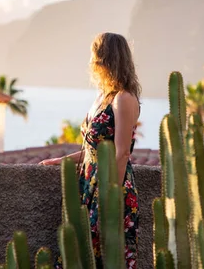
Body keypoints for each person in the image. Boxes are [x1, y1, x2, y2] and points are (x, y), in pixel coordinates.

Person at [39, 32, 141, 269]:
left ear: (105, 58)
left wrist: (109, 201)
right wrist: (62, 161)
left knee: (109, 257)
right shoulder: (102, 97)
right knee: (81, 255)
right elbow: (93, 150)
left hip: (110, 190)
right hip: (89, 185)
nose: (92, 60)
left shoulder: (123, 99)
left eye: (95, 53)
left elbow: (122, 152)